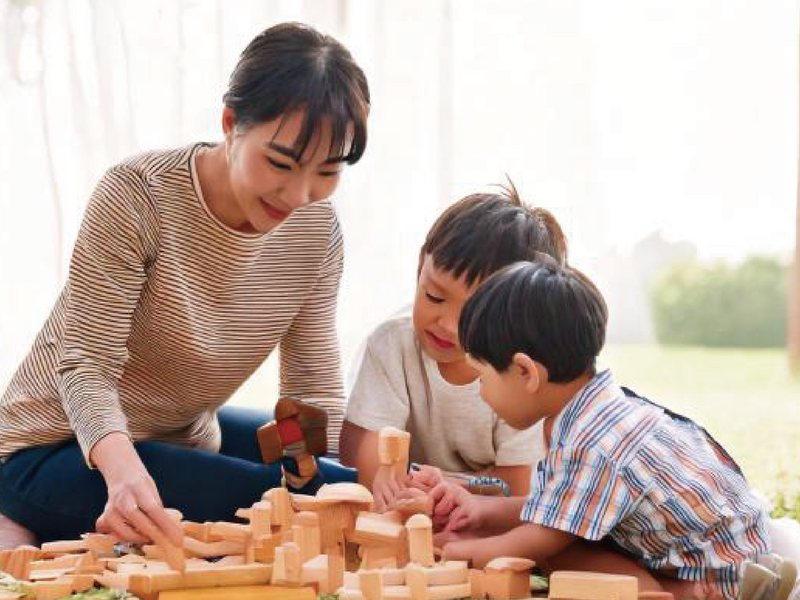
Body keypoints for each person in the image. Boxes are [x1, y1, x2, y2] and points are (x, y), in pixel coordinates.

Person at [0, 22, 370, 549]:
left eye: (327, 172)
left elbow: (310, 388)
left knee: (339, 483)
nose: (299, 194)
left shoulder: (316, 230)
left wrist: (314, 471)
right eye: (280, 163)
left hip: (184, 434)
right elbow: (87, 366)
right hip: (53, 446)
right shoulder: (139, 194)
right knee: (283, 498)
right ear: (230, 124)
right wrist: (125, 476)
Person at [433, 260, 770, 600]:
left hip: (722, 576)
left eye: (482, 376)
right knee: (566, 535)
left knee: (560, 554)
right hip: (735, 549)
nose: (481, 391)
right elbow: (556, 506)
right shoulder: (598, 408)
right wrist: (482, 511)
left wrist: (464, 553)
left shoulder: (590, 444)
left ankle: (667, 594)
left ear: (525, 372)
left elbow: (540, 538)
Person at [339, 186, 568, 510]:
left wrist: (451, 487)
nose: (447, 324)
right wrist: (387, 481)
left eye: (474, 315)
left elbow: (518, 486)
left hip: (485, 513)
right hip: (411, 505)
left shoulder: (519, 374)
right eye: (434, 296)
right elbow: (363, 452)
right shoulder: (392, 346)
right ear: (421, 264)